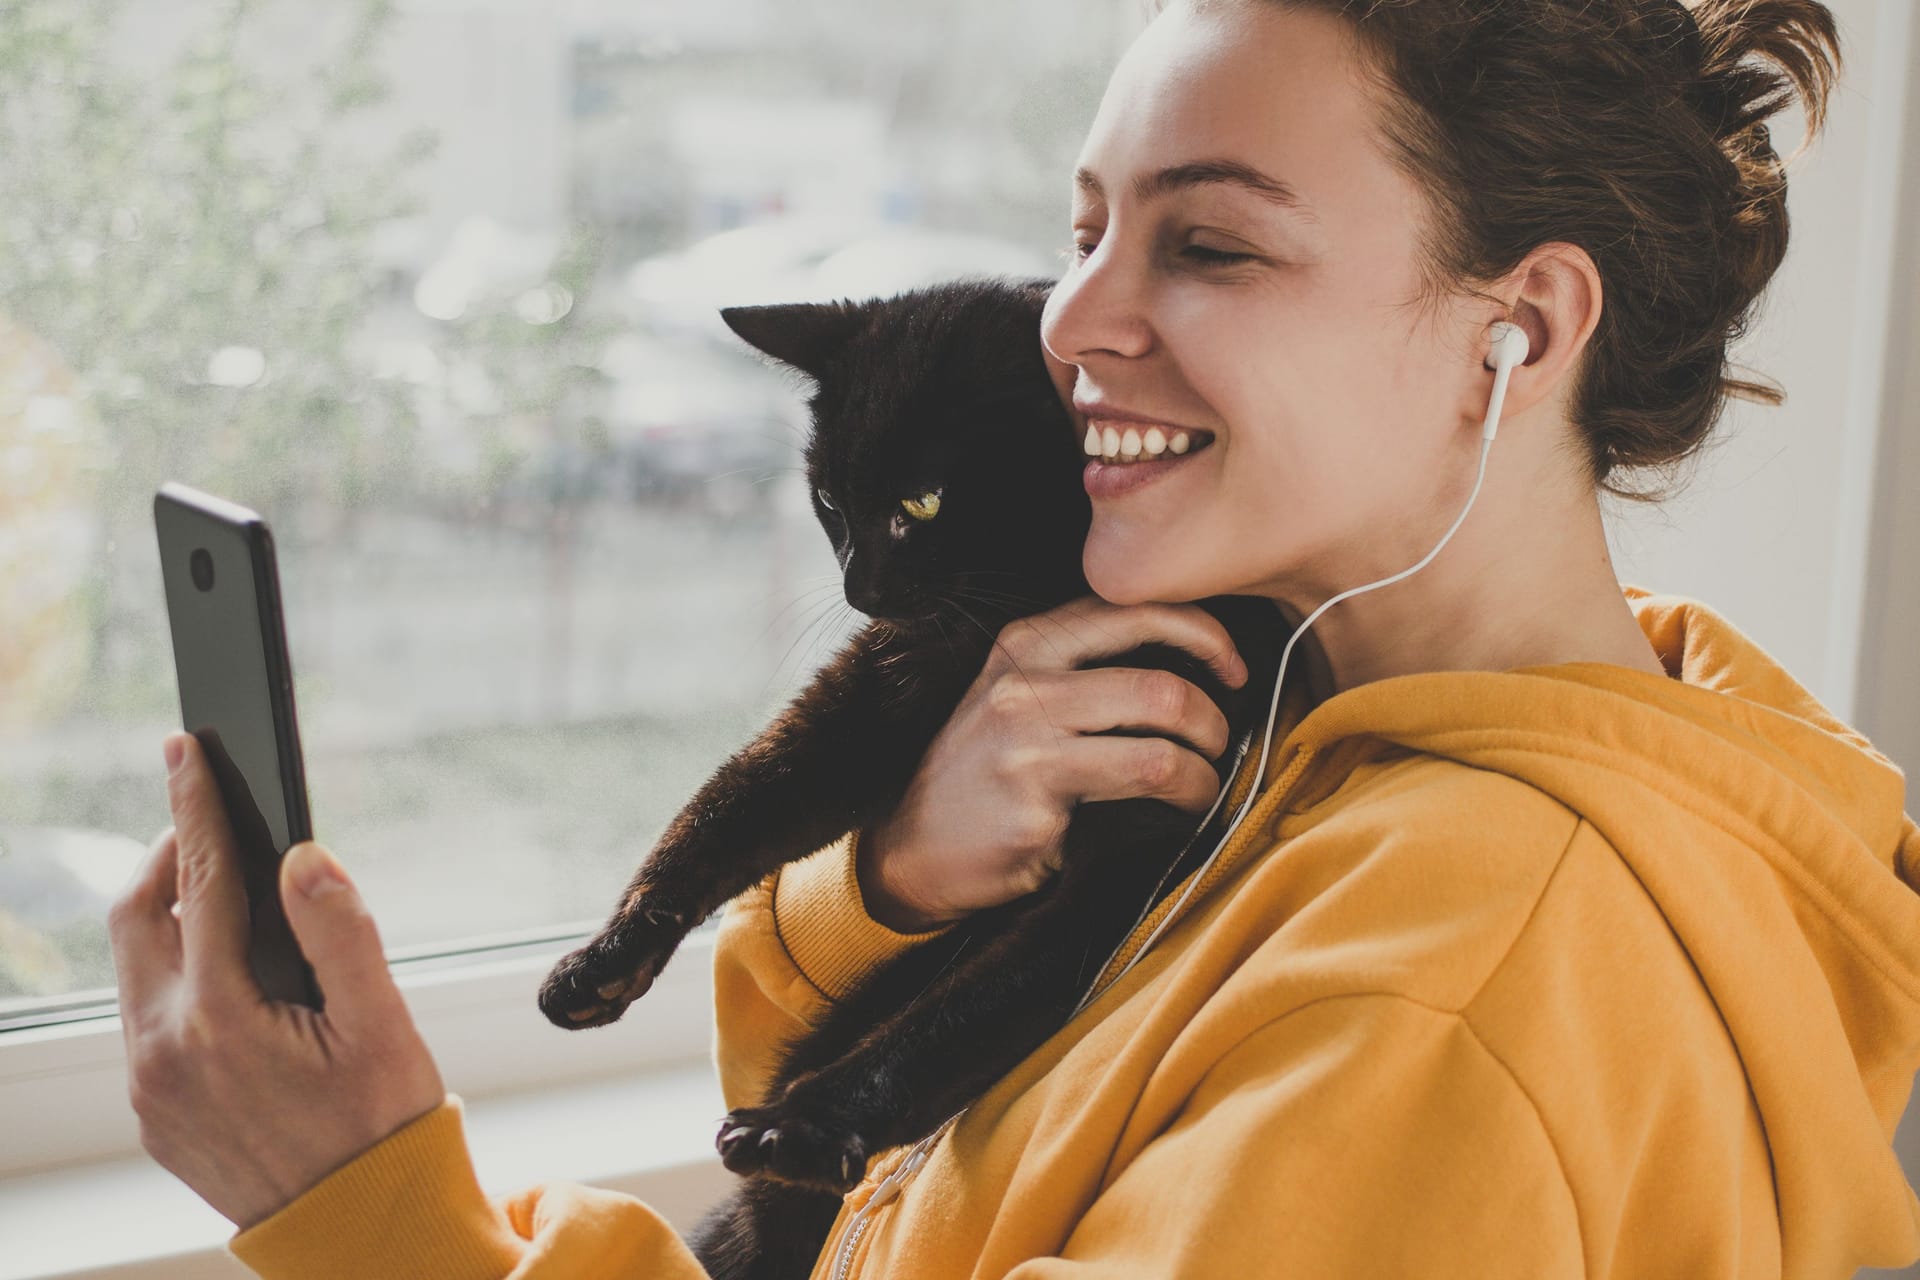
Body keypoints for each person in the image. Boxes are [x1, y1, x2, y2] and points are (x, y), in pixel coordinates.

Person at [108, 0, 1920, 1275]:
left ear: (1515, 328)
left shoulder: (1447, 994)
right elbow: (899, 1201)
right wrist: (890, 886)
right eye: (1086, 228)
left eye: (1210, 246)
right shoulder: (1327, 723)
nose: (1077, 321)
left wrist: (362, 1204)